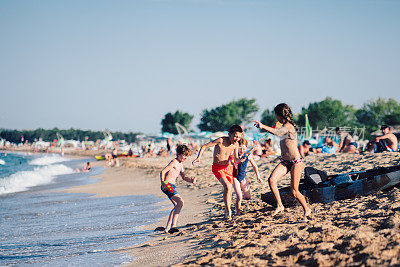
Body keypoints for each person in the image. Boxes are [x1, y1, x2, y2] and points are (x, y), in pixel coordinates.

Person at [252, 103, 311, 219]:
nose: (276, 118)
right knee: (272, 180)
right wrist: (268, 128)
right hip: (285, 162)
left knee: (294, 191)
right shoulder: (284, 126)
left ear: (280, 115)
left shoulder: (288, 126)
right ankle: (280, 205)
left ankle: (307, 209)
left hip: (296, 162)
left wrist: (263, 126)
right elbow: (277, 132)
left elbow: (278, 133)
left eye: (276, 115)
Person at [192, 124, 243, 220]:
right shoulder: (221, 140)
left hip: (228, 168)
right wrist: (198, 157)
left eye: (239, 137)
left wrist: (240, 160)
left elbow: (236, 159)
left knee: (228, 189)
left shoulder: (236, 144)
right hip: (217, 168)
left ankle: (226, 209)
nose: (237, 139)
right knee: (227, 186)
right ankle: (228, 210)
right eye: (235, 136)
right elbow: (205, 146)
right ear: (229, 134)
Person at [160, 144, 196, 234]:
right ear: (178, 154)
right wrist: (163, 183)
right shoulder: (174, 162)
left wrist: (191, 180)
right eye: (184, 155)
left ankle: (167, 228)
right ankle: (173, 226)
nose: (185, 157)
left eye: (187, 156)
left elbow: (184, 177)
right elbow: (163, 171)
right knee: (180, 202)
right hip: (167, 184)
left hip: (172, 186)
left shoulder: (181, 165)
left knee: (177, 205)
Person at [233, 138, 263, 215]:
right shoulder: (233, 155)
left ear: (246, 147)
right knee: (239, 196)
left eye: (243, 148)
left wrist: (258, 177)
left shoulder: (247, 155)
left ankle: (239, 198)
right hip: (234, 177)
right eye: (240, 148)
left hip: (243, 177)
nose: (242, 150)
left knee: (248, 197)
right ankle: (237, 212)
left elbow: (255, 166)